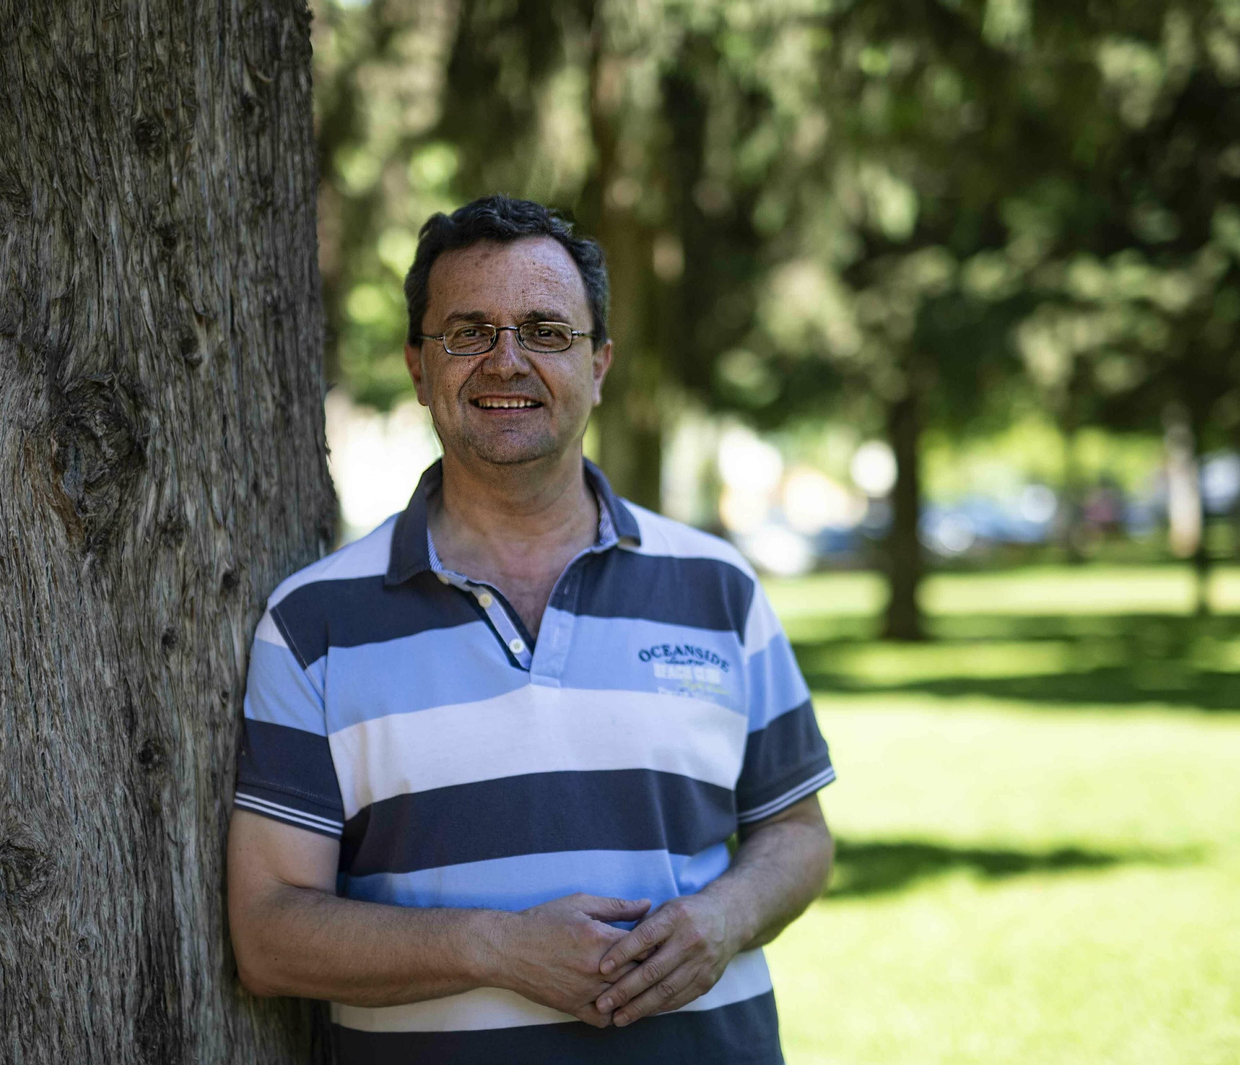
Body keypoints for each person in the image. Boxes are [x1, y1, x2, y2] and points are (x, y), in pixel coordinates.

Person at [226, 195, 835, 1064]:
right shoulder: (313, 622)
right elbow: (268, 932)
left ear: (599, 364)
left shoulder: (718, 587)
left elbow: (798, 832)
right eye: (467, 332)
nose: (506, 360)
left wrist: (725, 918)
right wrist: (495, 947)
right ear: (417, 366)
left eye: (546, 331)